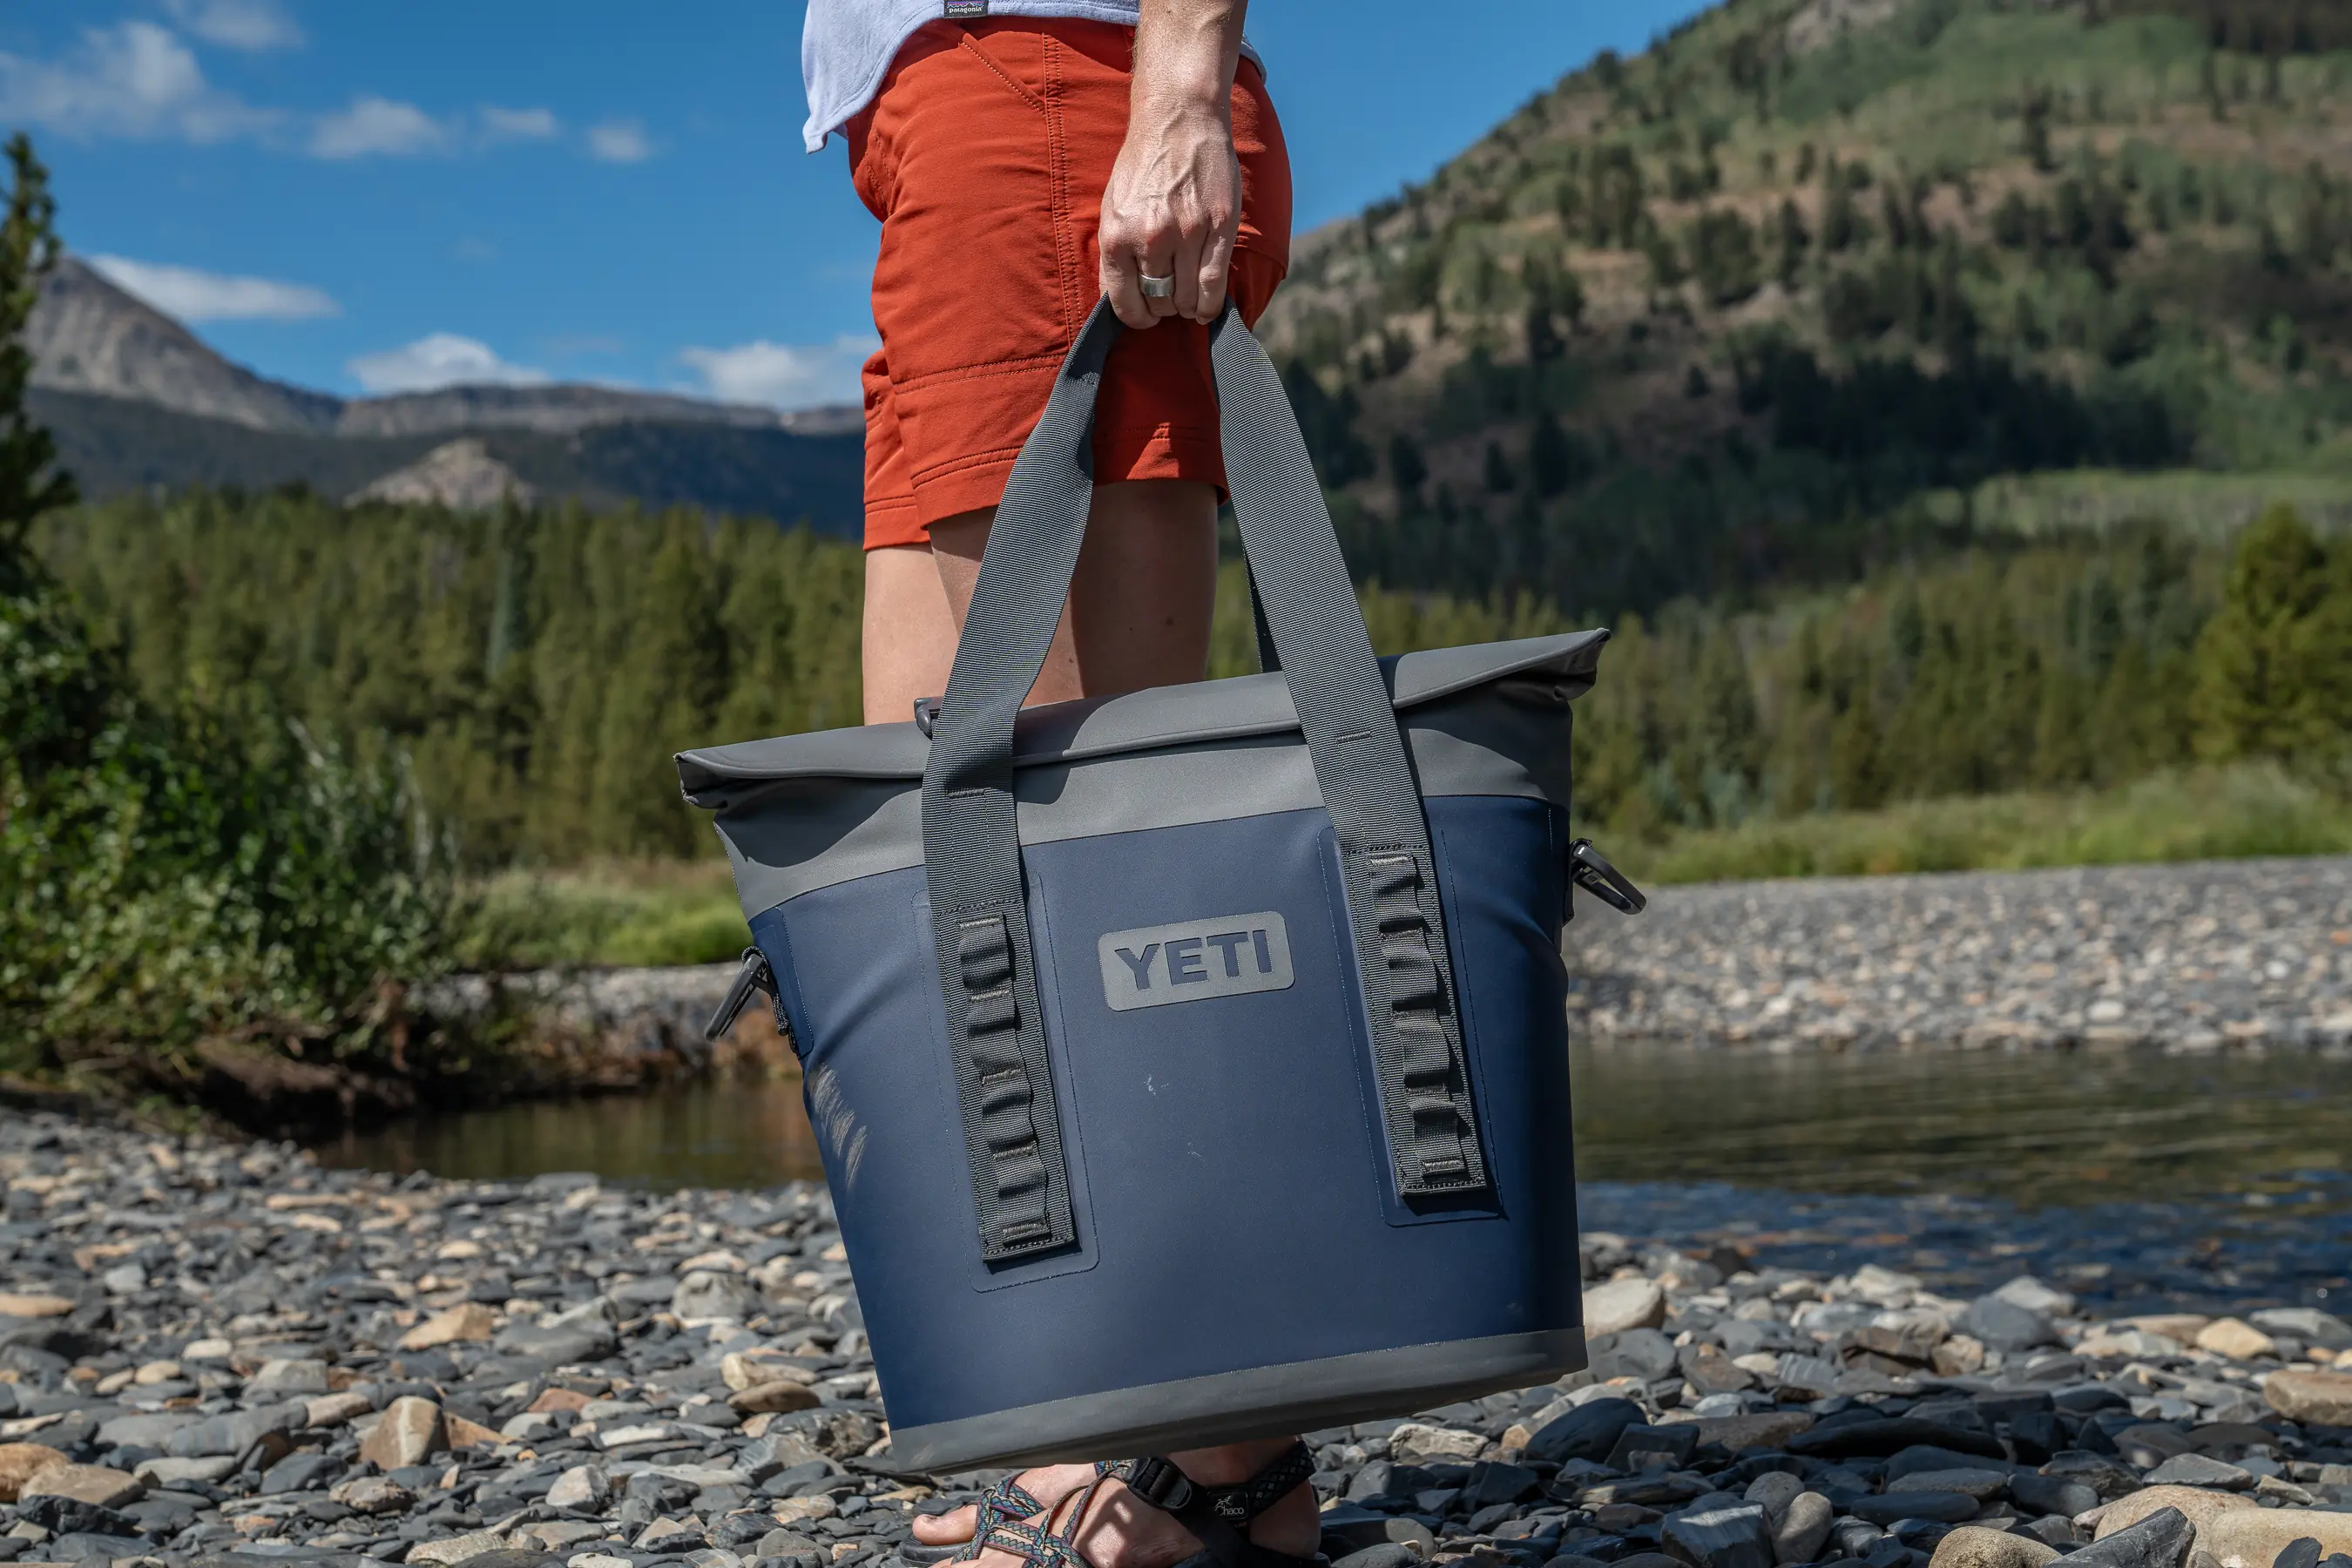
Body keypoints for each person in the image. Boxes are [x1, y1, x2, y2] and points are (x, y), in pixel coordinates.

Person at [800, 2, 1317, 1566]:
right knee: (964, 838)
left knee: (1038, 859)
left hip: (1044, 104)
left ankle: (1105, 1437)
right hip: (972, 122)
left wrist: (1176, 89)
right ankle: (1215, 1447)